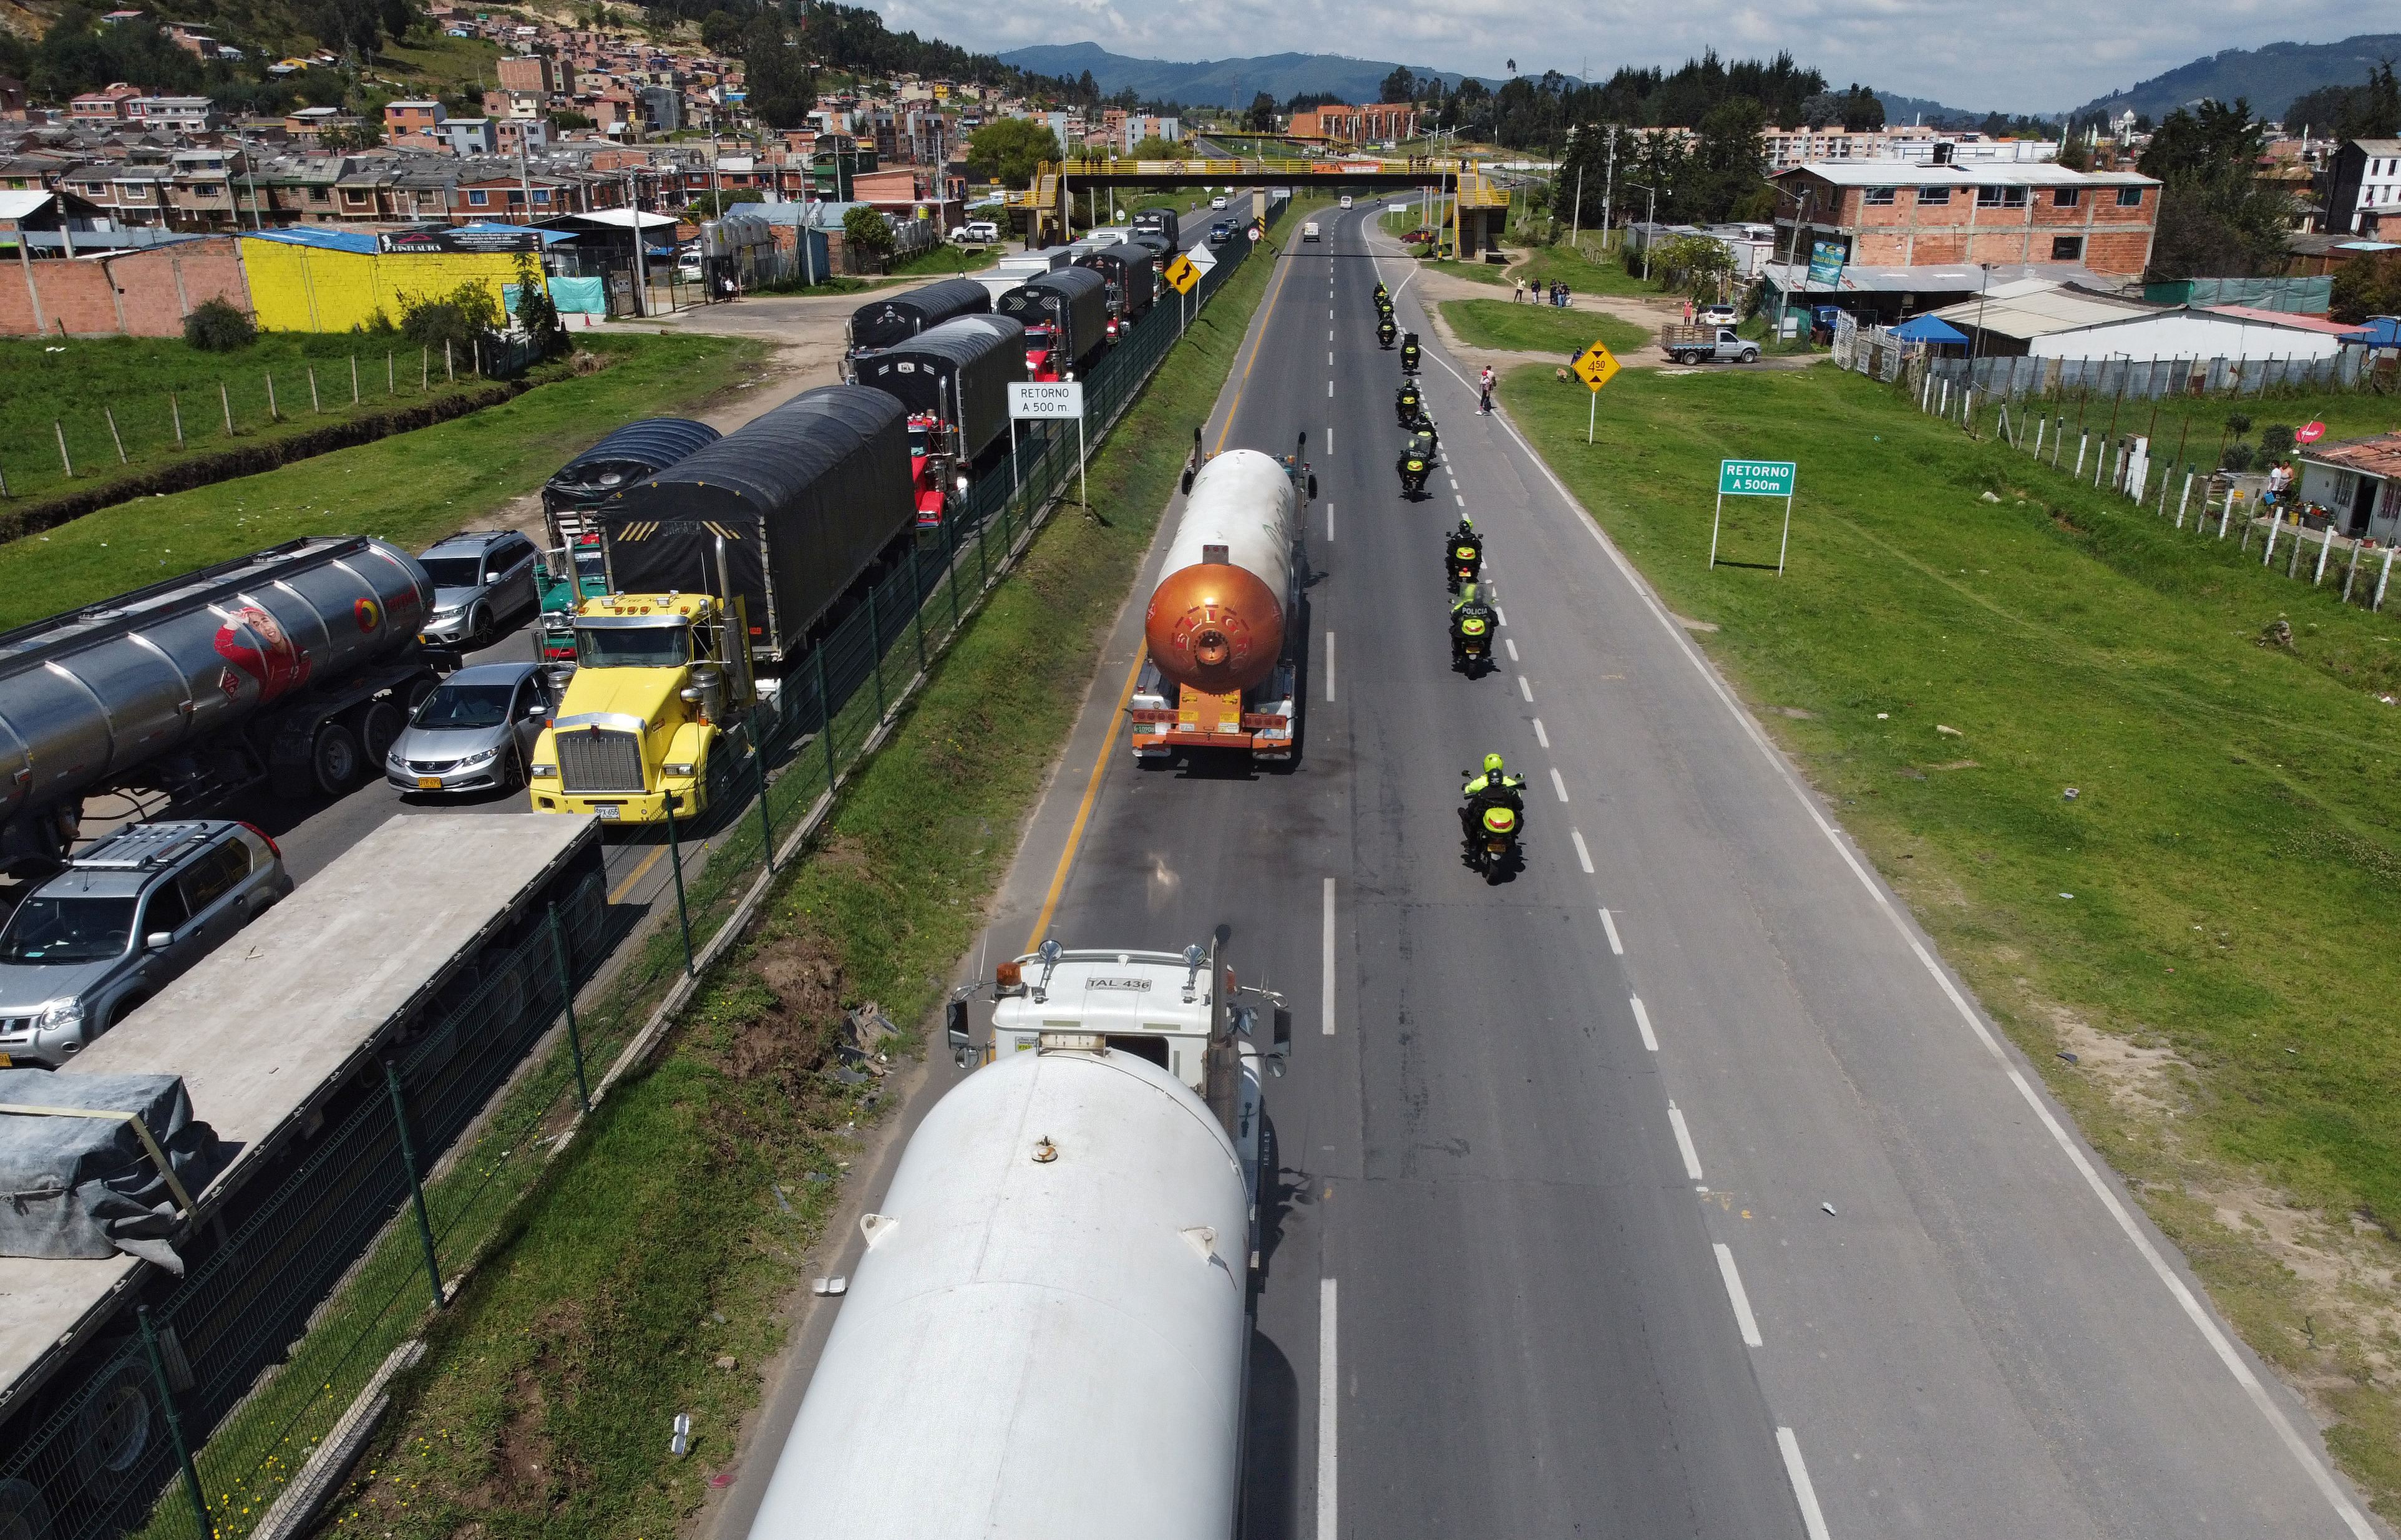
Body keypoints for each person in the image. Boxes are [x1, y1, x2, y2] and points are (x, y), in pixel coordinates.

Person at [1459, 752, 1527, 838]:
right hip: (1502, 821)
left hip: (1488, 821)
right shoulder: (1510, 783)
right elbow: (1519, 799)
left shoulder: (1480, 784)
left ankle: (1473, 841)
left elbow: (1468, 790)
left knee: (1469, 816)